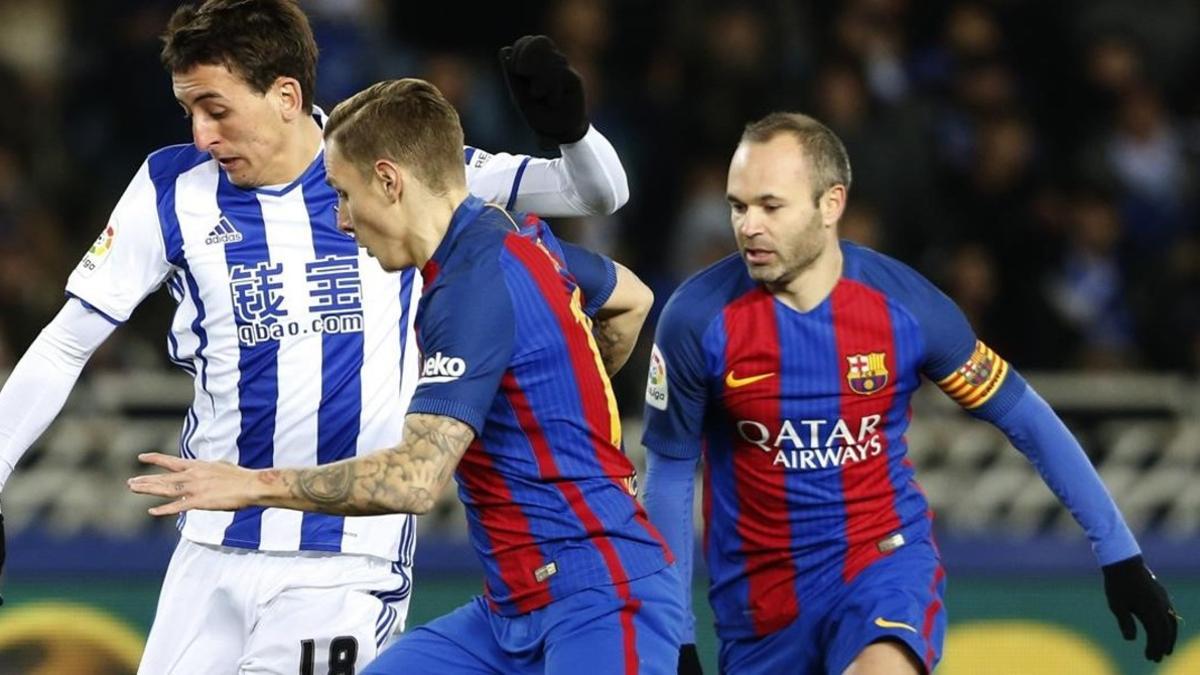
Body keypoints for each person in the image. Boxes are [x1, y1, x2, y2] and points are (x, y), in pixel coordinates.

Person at [0, 1, 634, 672]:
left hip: (344, 557)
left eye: (216, 109)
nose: (202, 133)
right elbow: (68, 340)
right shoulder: (170, 187)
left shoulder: (393, 163)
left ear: (285, 95)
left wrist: (573, 132)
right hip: (210, 548)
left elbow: (596, 193)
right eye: (189, 110)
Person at [128, 77, 683, 674]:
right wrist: (554, 400)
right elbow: (631, 299)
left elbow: (414, 482)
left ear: (388, 181)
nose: (340, 220)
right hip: (508, 611)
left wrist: (251, 486)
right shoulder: (515, 244)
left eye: (341, 193)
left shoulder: (470, 290)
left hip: (600, 598)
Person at [640, 112, 1179, 674]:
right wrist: (672, 632)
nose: (748, 226)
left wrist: (1118, 553)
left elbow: (1025, 416)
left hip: (883, 566)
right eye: (738, 205)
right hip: (762, 607)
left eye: (770, 207)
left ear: (831, 204)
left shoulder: (907, 308)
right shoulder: (695, 321)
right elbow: (671, 476)